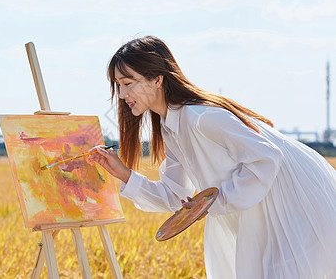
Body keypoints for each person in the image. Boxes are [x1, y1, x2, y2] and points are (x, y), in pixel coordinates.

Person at [88, 36, 336, 279]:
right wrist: (123, 172)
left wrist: (215, 202)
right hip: (257, 201)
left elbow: (267, 156)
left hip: (292, 197)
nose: (121, 94)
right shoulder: (171, 126)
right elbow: (176, 194)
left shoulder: (200, 118)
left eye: (128, 83)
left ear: (157, 80)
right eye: (118, 85)